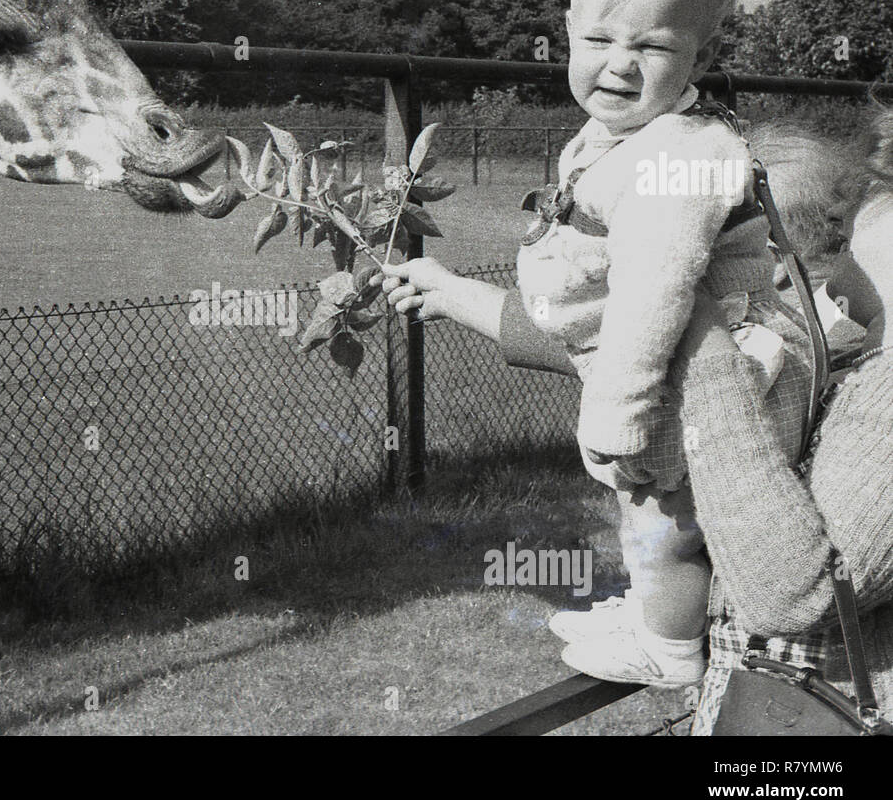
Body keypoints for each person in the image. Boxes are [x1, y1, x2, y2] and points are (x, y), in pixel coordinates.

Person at [381, 0, 815, 688]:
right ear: (569, 30)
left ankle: (670, 651)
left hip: (718, 380)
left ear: (702, 55)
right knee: (643, 509)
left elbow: (654, 291)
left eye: (651, 47)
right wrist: (453, 292)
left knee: (663, 517)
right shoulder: (618, 135)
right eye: (601, 40)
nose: (618, 66)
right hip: (679, 367)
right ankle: (659, 613)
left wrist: (619, 414)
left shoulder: (676, 158)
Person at [377, 112, 893, 732]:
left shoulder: (835, 365)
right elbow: (633, 355)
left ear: (770, 263)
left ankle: (666, 642)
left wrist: (692, 326)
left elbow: (792, 591)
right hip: (758, 705)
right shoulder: (818, 334)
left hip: (818, 714)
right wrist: (455, 295)